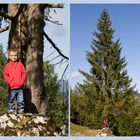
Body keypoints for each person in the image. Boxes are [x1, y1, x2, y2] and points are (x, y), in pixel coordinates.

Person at [4, 48, 26, 113]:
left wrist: (22, 81)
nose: (14, 57)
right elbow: (5, 74)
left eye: (15, 55)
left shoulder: (20, 65)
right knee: (11, 100)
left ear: (17, 56)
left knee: (20, 100)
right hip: (12, 87)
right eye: (12, 55)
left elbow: (24, 73)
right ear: (9, 56)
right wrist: (9, 82)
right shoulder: (7, 66)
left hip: (20, 88)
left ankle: (21, 111)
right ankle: (11, 111)